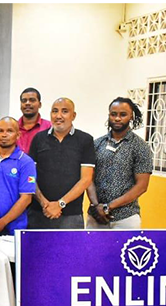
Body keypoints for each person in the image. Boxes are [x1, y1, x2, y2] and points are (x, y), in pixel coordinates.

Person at [28, 98, 95, 229]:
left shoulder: (85, 140)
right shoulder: (38, 139)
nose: (58, 116)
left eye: (64, 111)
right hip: (38, 212)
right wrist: (44, 203)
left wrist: (60, 204)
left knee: (70, 250)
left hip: (71, 216)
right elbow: (30, 176)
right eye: (54, 111)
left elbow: (86, 179)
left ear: (73, 115)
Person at [86, 97, 153, 230]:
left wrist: (108, 207)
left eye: (123, 115)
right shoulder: (97, 144)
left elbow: (142, 186)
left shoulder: (140, 147)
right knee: (93, 251)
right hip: (96, 216)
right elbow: (88, 179)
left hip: (126, 218)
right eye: (113, 114)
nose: (117, 118)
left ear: (131, 117)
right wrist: (96, 206)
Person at [17, 87, 51, 154]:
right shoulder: (12, 127)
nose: (27, 103)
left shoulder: (49, 127)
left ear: (40, 104)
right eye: (24, 101)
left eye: (32, 100)